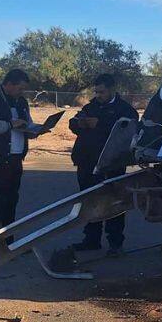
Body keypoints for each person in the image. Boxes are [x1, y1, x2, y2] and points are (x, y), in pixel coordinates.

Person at [66, 73, 138, 257]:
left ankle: (115, 243)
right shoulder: (91, 107)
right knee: (89, 201)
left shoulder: (125, 110)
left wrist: (100, 124)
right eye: (96, 92)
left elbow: (128, 129)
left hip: (112, 163)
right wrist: (80, 123)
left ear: (112, 89)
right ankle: (91, 239)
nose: (98, 95)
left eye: (102, 92)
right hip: (87, 162)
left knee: (114, 202)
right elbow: (72, 123)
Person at [0, 69, 50, 234]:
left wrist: (36, 130)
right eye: (20, 88)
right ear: (9, 84)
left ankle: (9, 241)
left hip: (16, 160)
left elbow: (26, 124)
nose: (22, 92)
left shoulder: (21, 102)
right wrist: (9, 124)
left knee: (11, 202)